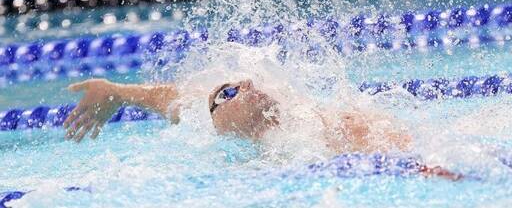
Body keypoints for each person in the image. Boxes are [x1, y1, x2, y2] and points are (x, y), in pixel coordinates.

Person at [63, 78, 461, 180]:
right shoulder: (220, 133)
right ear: (219, 121)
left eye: (248, 82)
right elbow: (177, 101)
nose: (249, 86)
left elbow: (408, 155)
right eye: (232, 91)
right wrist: (113, 92)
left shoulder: (321, 127)